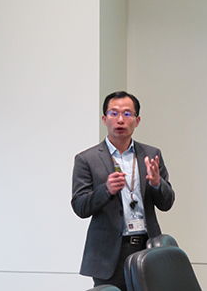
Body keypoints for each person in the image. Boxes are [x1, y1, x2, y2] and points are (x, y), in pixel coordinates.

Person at [71, 91, 175, 291]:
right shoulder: (87, 159)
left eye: (127, 114)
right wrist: (106, 190)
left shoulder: (151, 154)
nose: (120, 120)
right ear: (104, 119)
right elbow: (80, 206)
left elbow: (167, 203)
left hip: (147, 247)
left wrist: (156, 183)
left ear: (137, 121)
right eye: (114, 113)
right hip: (109, 253)